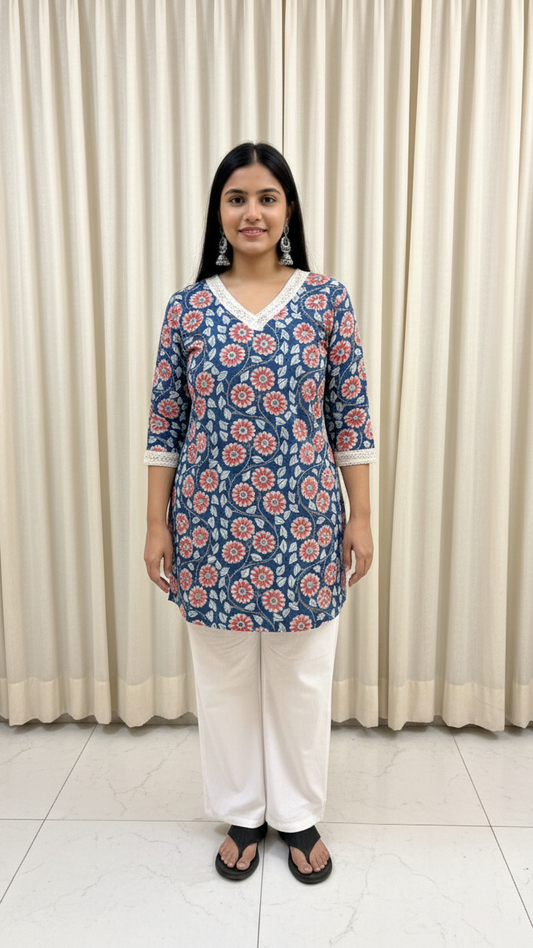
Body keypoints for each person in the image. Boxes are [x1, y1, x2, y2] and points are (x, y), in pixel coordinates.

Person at [143, 141, 377, 884]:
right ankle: (243, 810)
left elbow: (351, 416)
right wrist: (155, 526)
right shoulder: (187, 308)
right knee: (222, 676)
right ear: (218, 210)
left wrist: (360, 514)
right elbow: (163, 425)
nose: (252, 212)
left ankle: (298, 813)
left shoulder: (325, 300)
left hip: (306, 521)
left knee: (302, 674)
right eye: (237, 197)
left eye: (267, 197)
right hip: (207, 525)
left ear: (288, 210)